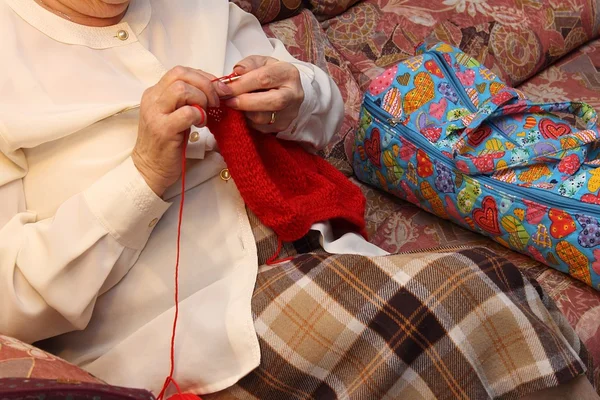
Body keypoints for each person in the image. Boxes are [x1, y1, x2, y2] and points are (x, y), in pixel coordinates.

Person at [0, 0, 597, 399]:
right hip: (189, 326)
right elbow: (12, 302)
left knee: (496, 296)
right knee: (471, 293)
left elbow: (322, 110)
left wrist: (295, 95)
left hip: (321, 252)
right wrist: (143, 174)